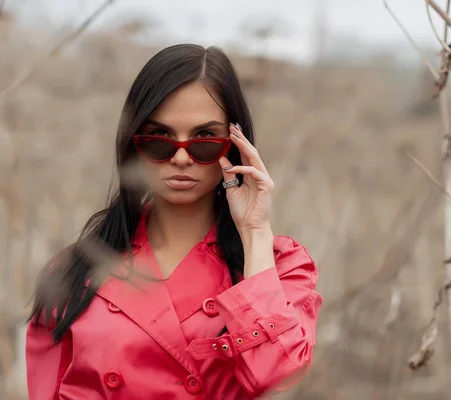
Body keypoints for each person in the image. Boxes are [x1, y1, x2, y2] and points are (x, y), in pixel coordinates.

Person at [25, 43, 322, 400]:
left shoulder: (280, 266)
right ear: (133, 145)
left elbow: (274, 372)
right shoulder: (75, 269)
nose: (181, 158)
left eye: (204, 140)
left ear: (233, 145)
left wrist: (255, 232)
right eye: (159, 139)